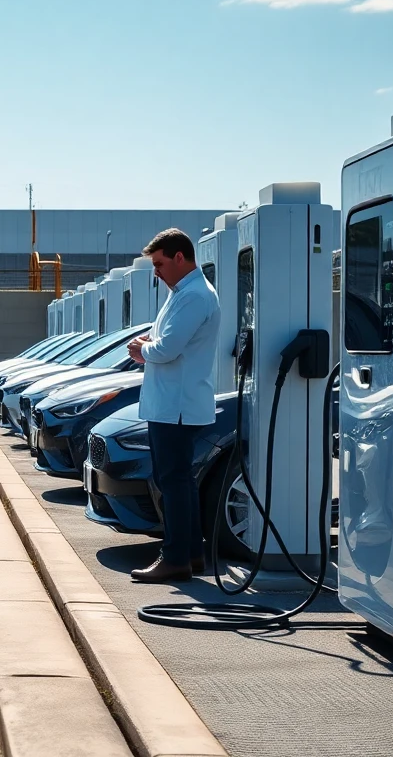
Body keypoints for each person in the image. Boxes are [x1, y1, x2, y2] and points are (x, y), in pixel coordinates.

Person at [125, 228, 221, 583]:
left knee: (174, 480)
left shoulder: (193, 295)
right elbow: (167, 337)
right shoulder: (185, 292)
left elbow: (166, 349)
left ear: (180, 257)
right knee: (181, 480)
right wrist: (151, 341)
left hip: (176, 406)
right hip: (173, 404)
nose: (157, 272)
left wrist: (141, 350)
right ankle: (191, 554)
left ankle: (176, 557)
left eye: (160, 263)